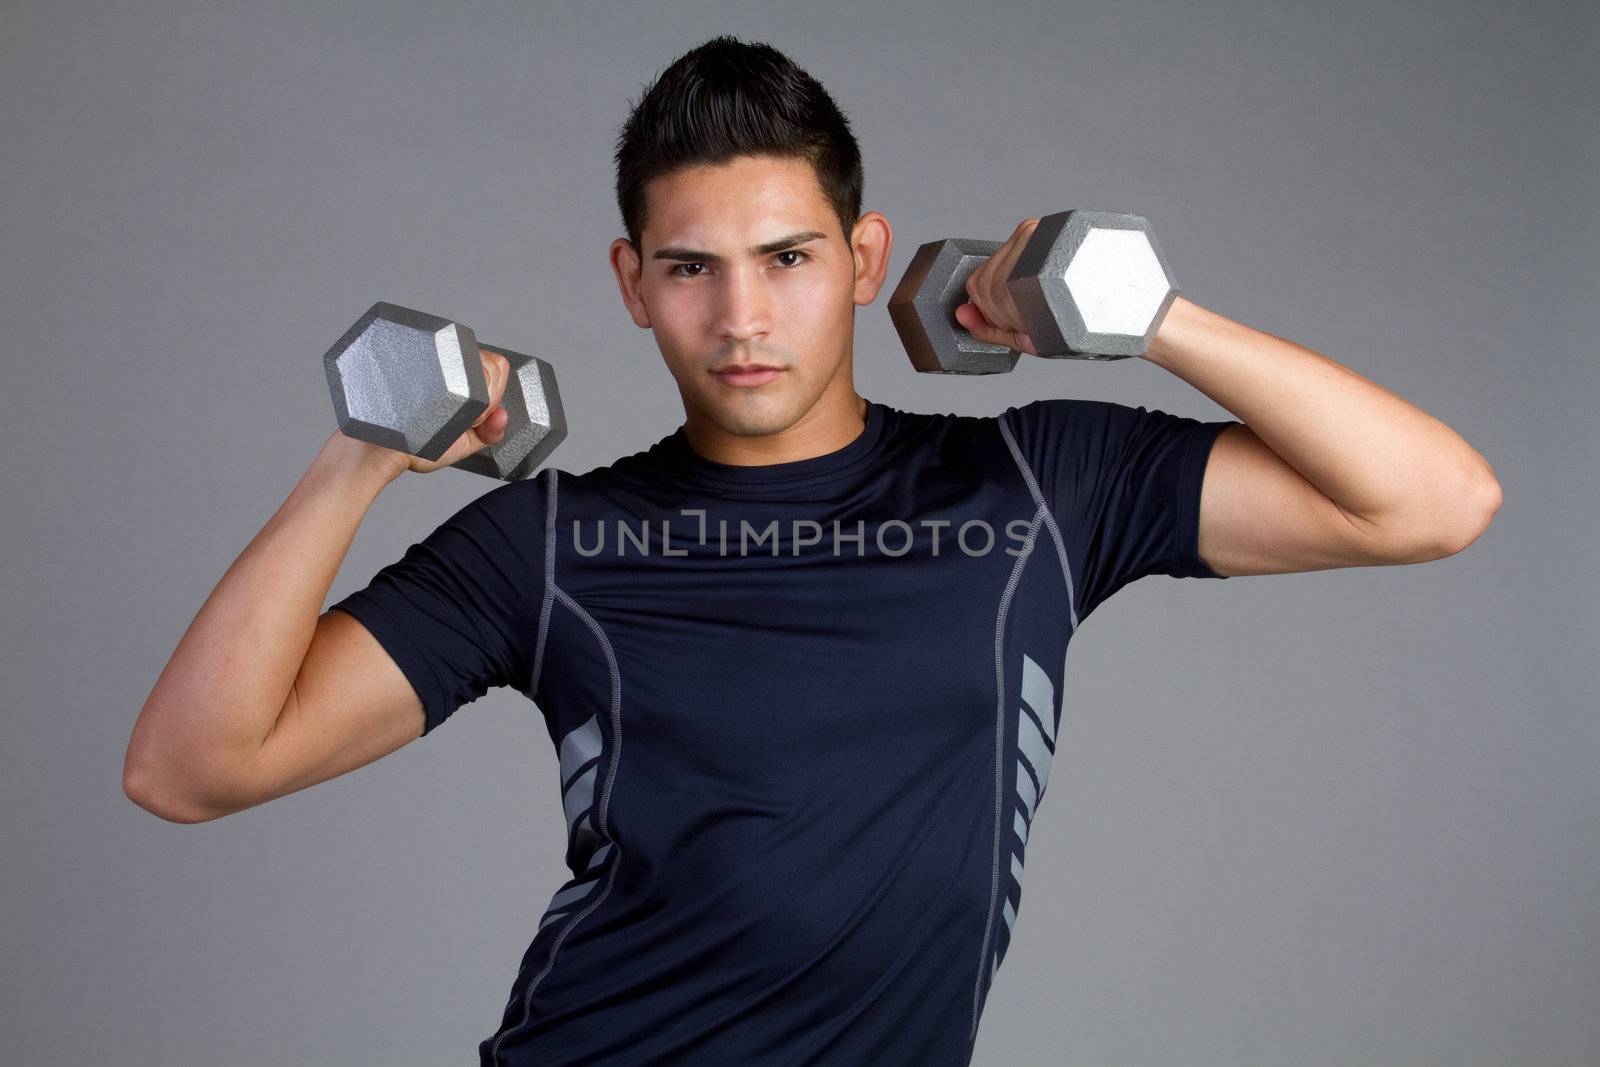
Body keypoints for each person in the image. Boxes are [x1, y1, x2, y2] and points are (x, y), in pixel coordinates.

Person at [123, 34, 1502, 1067]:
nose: (741, 317)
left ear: (861, 256)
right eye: (690, 269)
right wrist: (361, 455)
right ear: (631, 285)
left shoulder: (1033, 484)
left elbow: (1433, 502)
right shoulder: (548, 545)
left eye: (787, 259)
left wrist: (1147, 316)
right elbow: (190, 770)